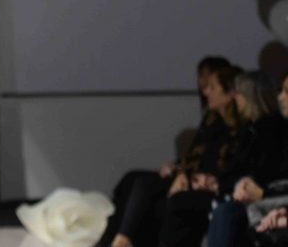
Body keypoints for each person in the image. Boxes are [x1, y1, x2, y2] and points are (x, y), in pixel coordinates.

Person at [101, 63, 241, 247]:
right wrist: (180, 169)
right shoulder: (212, 121)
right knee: (132, 179)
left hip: (205, 184)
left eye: (212, 87)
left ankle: (121, 240)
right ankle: (112, 240)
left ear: (230, 93)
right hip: (190, 177)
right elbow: (194, 156)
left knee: (148, 186)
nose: (206, 92)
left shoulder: (237, 129)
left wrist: (192, 177)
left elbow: (225, 167)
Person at [161, 70, 280, 247]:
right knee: (169, 196)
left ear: (249, 97)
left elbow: (260, 172)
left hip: (250, 194)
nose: (235, 98)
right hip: (232, 189)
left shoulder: (267, 130)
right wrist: (211, 180)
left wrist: (219, 185)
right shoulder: (251, 129)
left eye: (238, 93)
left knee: (185, 204)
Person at [208, 72, 288, 247]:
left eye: (286, 91)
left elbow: (271, 174)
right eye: (280, 91)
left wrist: (263, 192)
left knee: (225, 212)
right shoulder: (255, 128)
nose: (280, 97)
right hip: (265, 198)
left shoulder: (271, 128)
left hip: (268, 198)